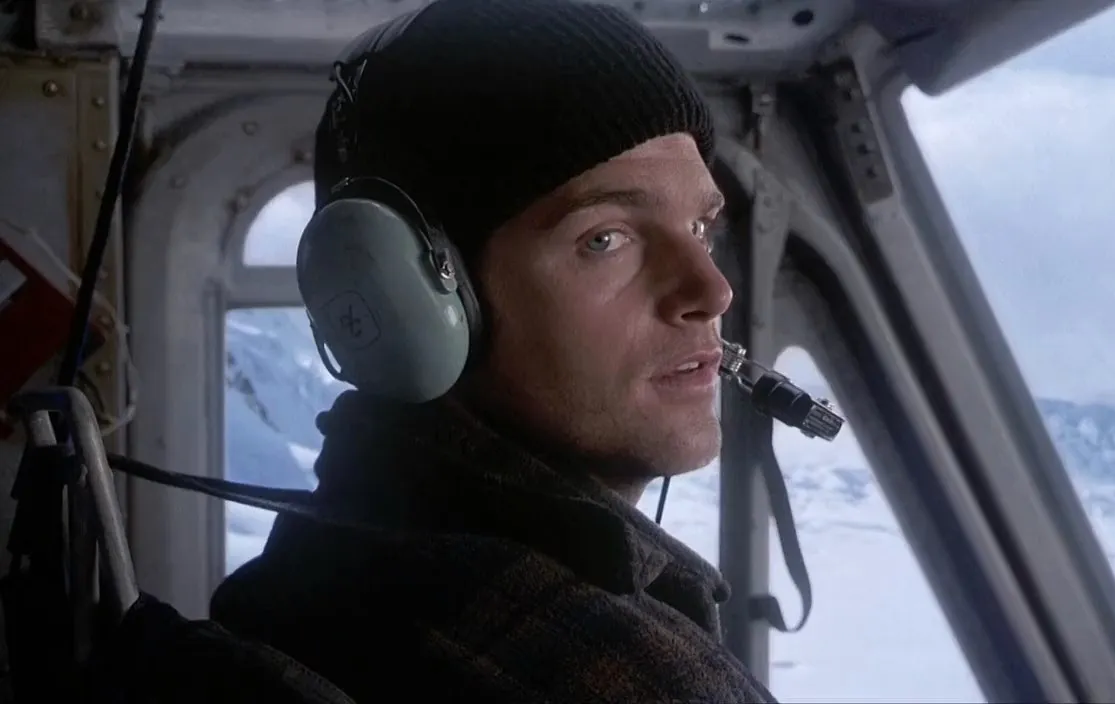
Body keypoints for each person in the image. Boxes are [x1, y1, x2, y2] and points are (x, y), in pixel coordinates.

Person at [210, 0, 775, 702]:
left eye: (700, 227)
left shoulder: (310, 567)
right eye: (605, 239)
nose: (712, 291)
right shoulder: (626, 677)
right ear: (404, 294)